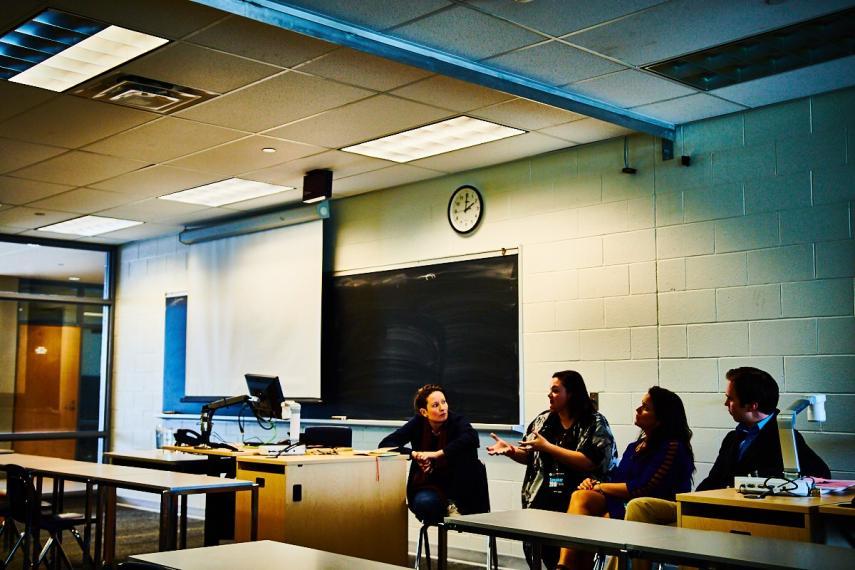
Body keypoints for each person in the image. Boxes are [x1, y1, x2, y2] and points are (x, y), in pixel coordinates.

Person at [624, 367, 830, 531]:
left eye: (730, 399)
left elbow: (821, 473)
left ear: (752, 405)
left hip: (746, 516)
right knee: (640, 507)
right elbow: (712, 480)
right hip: (712, 507)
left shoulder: (784, 436)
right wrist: (694, 503)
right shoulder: (734, 437)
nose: (725, 403)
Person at [487, 370, 617, 570]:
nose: (550, 395)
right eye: (550, 390)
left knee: (571, 557)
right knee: (540, 553)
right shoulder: (543, 420)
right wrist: (510, 450)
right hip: (542, 499)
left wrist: (549, 447)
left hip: (576, 501)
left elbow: (590, 461)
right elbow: (529, 455)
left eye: (556, 391)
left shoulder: (595, 422)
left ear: (571, 394)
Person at [555, 386, 695, 570]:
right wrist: (594, 484)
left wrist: (600, 487)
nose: (637, 409)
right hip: (624, 502)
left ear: (661, 419)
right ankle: (563, 566)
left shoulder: (672, 447)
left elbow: (644, 488)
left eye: (645, 407)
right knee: (581, 496)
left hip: (655, 508)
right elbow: (616, 481)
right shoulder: (634, 447)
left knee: (589, 526)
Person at [378, 384, 488, 524]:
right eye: (436, 405)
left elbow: (472, 438)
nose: (443, 408)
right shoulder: (418, 423)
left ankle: (452, 509)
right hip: (428, 485)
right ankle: (448, 512)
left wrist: (437, 454)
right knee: (424, 504)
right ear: (424, 412)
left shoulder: (457, 421)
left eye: (444, 402)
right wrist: (415, 455)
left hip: (459, 486)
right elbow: (385, 444)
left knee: (466, 451)